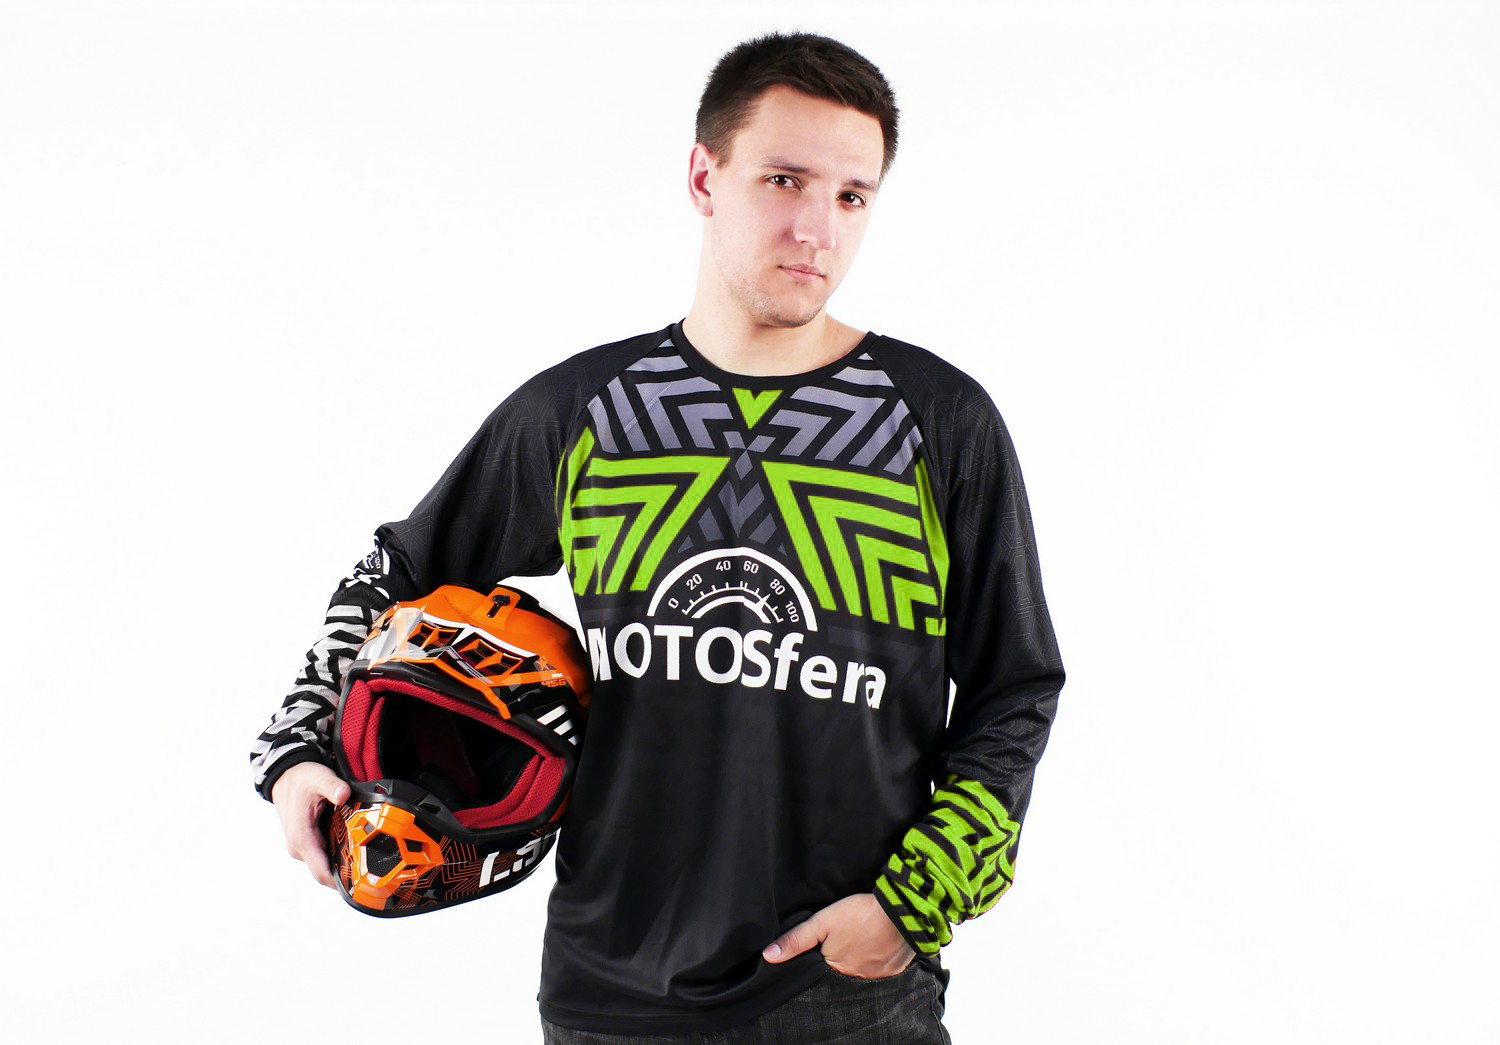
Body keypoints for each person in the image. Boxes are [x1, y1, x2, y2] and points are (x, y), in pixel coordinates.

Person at [251, 31, 1064, 1044]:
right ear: (703, 177)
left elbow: (1015, 686)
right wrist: (297, 748)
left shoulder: (936, 421)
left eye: (853, 195)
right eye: (784, 180)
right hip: (609, 987)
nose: (817, 228)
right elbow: (398, 571)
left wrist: (911, 906)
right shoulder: (590, 410)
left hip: (847, 991)